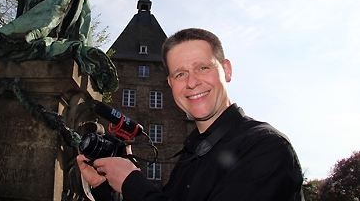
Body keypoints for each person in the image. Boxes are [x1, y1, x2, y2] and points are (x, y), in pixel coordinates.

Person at [77, 28, 304, 200]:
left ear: (226, 70)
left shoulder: (266, 147)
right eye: (180, 74)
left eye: (203, 68)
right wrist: (101, 187)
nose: (192, 82)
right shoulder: (190, 154)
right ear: (170, 84)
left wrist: (132, 182)